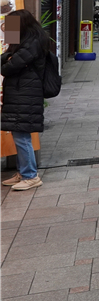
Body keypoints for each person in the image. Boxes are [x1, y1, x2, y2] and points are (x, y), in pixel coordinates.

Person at [0, 10, 50, 190]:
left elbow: (9, 67)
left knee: (22, 136)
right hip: (20, 93)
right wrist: (8, 58)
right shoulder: (23, 41)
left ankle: (31, 175)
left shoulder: (32, 43)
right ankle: (23, 172)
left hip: (26, 94)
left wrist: (8, 60)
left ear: (22, 25)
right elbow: (5, 59)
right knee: (18, 133)